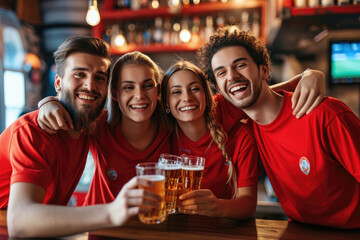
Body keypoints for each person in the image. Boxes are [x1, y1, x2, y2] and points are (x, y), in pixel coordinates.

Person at [197, 26, 360, 228]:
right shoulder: (245, 123)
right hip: (300, 231)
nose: (231, 76)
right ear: (218, 87)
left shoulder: (325, 115)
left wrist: (310, 74)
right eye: (221, 73)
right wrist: (306, 74)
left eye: (240, 65)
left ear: (264, 69)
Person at [0, 36, 162, 238]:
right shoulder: (32, 131)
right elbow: (20, 223)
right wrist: (112, 211)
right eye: (79, 74)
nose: (90, 85)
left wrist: (47, 101)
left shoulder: (88, 126)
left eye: (100, 77)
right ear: (58, 82)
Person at [38, 51, 172, 205]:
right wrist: (48, 102)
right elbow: (71, 107)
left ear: (158, 91)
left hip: (154, 223)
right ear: (115, 93)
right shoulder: (98, 124)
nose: (139, 95)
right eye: (128, 87)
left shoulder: (171, 129)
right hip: (102, 226)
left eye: (148, 85)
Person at [160, 60, 259, 219]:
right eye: (176, 92)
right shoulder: (161, 138)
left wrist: (218, 207)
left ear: (206, 97)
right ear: (166, 102)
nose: (187, 97)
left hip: (223, 231)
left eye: (194, 89)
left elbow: (248, 205)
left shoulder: (240, 136)